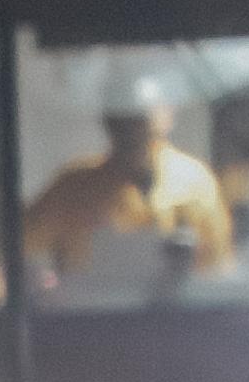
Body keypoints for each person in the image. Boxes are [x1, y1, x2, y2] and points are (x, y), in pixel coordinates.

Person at [21, 102, 235, 298]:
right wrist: (41, 285)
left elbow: (218, 266)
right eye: (126, 108)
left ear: (167, 115)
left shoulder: (195, 180)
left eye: (146, 107)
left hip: (178, 317)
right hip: (90, 317)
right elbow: (17, 251)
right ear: (109, 119)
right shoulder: (73, 187)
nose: (134, 122)